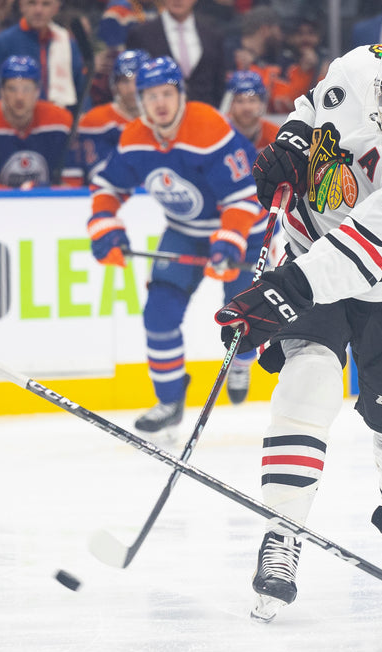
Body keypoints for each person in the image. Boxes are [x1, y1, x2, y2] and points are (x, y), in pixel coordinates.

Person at [212, 30, 382, 623]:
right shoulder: (357, 65)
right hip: (309, 247)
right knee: (308, 382)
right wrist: (289, 142)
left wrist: (278, 297)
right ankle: (282, 532)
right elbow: (313, 108)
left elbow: (361, 252)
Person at [86, 56, 269, 440]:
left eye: (167, 93)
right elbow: (107, 185)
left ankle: (242, 362)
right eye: (151, 95)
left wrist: (230, 241)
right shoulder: (135, 136)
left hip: (244, 229)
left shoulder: (207, 126)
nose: (160, 103)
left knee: (241, 323)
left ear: (180, 95)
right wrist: (105, 225)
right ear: (140, 99)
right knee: (159, 314)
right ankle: (169, 402)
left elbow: (244, 196)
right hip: (185, 230)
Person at [0, 55, 81, 188]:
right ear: (1, 91)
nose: (19, 97)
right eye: (12, 89)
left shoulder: (61, 122)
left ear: (37, 91)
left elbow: (72, 182)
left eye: (26, 89)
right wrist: (22, 197)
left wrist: (34, 193)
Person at [0, 0, 87, 111]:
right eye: (31, 3)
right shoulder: (2, 42)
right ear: (22, 6)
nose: (38, 10)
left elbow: (82, 91)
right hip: (12, 124)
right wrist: (6, 116)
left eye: (46, 4)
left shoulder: (66, 43)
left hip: (59, 124)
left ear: (56, 8)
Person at [124, 0, 226, 107]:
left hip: (205, 114)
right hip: (158, 113)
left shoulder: (212, 33)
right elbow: (135, 82)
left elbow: (219, 82)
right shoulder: (141, 34)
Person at [76, 48, 149, 184]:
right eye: (125, 81)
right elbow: (101, 176)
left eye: (137, 81)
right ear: (114, 85)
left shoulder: (164, 120)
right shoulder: (96, 121)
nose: (132, 89)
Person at [220, 70, 279, 152]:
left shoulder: (276, 136)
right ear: (231, 104)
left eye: (252, 100)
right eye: (239, 100)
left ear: (261, 103)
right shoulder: (218, 133)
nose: (246, 107)